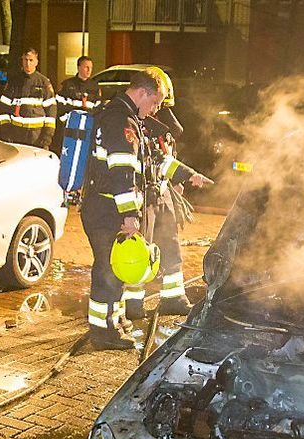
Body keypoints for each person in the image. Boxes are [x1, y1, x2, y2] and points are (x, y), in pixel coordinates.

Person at [81, 69, 168, 350]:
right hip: (108, 208)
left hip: (104, 204)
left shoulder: (117, 114)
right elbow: (122, 171)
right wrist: (129, 215)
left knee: (114, 270)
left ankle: (114, 322)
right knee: (107, 272)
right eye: (154, 103)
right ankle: (103, 333)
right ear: (143, 93)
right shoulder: (122, 119)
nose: (153, 110)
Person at [122, 74, 213, 321]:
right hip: (145, 200)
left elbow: (164, 161)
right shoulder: (136, 126)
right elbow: (138, 166)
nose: (157, 110)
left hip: (162, 196)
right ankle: (133, 304)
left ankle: (173, 298)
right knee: (142, 252)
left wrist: (184, 177)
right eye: (156, 105)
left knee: (171, 248)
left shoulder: (160, 129)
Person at [0, 48, 56, 149]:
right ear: (22, 61)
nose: (28, 63)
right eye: (25, 60)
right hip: (16, 135)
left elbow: (51, 113)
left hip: (37, 136)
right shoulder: (13, 82)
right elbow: (4, 109)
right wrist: (6, 133)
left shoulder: (44, 83)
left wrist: (46, 139)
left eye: (31, 60)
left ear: (36, 62)